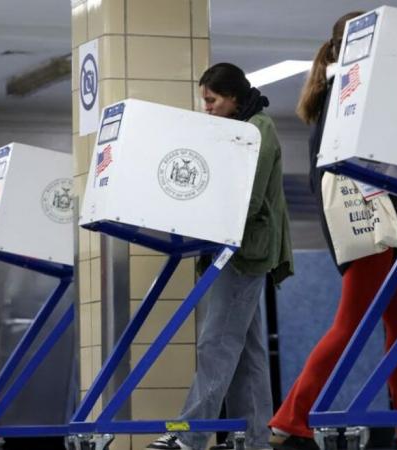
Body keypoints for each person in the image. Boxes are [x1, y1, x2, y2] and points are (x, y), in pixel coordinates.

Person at [266, 12, 397, 450]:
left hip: (363, 216)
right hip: (367, 217)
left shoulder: (336, 88)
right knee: (349, 323)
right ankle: (292, 416)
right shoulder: (352, 87)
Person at [147, 62, 294, 450]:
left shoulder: (259, 129)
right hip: (230, 249)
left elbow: (250, 195)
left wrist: (206, 222)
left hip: (243, 251)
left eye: (212, 100)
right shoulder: (236, 129)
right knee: (247, 352)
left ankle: (190, 436)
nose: (207, 108)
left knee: (217, 343)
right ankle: (256, 439)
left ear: (232, 97)